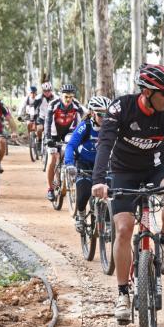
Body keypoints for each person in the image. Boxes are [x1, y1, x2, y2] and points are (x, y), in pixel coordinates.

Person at [91, 64, 164, 323]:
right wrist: (98, 180)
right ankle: (123, 294)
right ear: (147, 92)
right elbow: (105, 143)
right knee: (124, 229)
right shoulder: (121, 108)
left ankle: (163, 240)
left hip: (154, 169)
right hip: (123, 172)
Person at [64, 95, 112, 232]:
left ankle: (108, 222)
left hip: (103, 165)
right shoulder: (85, 126)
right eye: (100, 114)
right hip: (84, 164)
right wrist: (69, 164)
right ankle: (80, 215)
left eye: (107, 113)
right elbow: (71, 146)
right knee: (84, 192)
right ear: (91, 112)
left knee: (110, 191)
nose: (104, 117)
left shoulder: (111, 127)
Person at [44, 83, 84, 201]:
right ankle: (50, 189)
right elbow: (47, 122)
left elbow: (85, 118)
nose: (68, 99)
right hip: (53, 133)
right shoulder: (54, 104)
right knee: (52, 158)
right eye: (66, 97)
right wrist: (47, 138)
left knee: (67, 152)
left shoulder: (76, 105)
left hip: (68, 132)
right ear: (61, 96)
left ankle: (66, 176)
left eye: (71, 97)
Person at [31, 82, 56, 153]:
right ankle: (39, 141)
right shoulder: (38, 98)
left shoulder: (56, 98)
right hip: (42, 117)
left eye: (48, 91)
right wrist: (32, 119)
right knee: (39, 129)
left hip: (51, 118)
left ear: (51, 90)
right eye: (45, 91)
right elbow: (33, 108)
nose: (47, 93)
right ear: (43, 91)